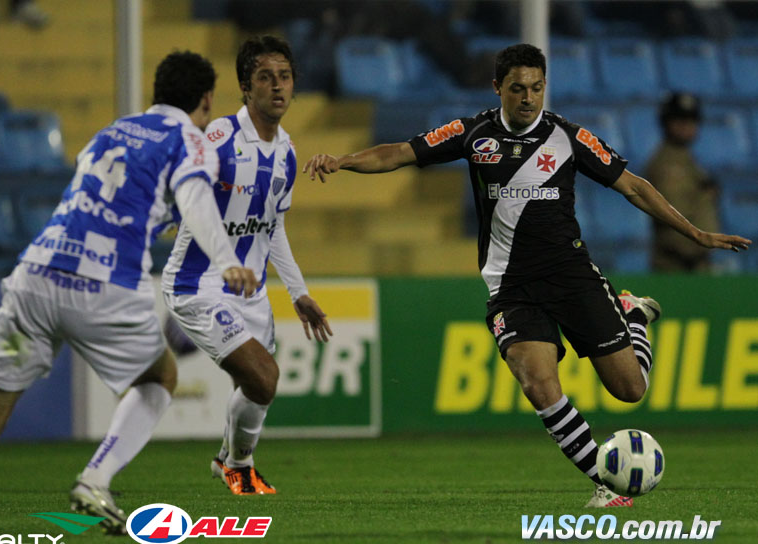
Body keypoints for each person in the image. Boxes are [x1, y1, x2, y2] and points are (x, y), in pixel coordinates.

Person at [303, 43, 750, 507]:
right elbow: (399, 153)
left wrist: (696, 233)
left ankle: (632, 316)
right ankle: (606, 481)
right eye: (518, 88)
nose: (528, 98)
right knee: (538, 383)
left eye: (537, 88)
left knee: (630, 390)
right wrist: (342, 161)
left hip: (571, 275)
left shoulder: (569, 138)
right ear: (498, 87)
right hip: (511, 286)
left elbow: (634, 187)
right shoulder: (472, 133)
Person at [0, 50, 257, 539]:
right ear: (206, 100)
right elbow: (196, 200)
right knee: (159, 377)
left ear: (157, 93)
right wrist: (226, 260)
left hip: (36, 274)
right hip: (104, 283)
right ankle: (95, 479)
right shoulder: (190, 140)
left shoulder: (112, 131)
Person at [162, 35, 332, 495]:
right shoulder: (220, 138)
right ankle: (239, 465)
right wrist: (170, 210)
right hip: (198, 285)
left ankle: (227, 459)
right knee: (263, 377)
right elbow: (183, 183)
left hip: (250, 292)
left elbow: (272, 228)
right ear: (245, 86)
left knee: (259, 386)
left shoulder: (286, 153)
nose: (277, 86)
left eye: (285, 77)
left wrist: (298, 292)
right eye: (265, 77)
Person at [646, 92, 719, 272]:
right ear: (666, 123)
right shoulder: (666, 164)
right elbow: (674, 215)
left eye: (692, 120)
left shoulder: (687, 160)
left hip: (696, 264)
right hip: (676, 266)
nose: (687, 126)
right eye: (679, 120)